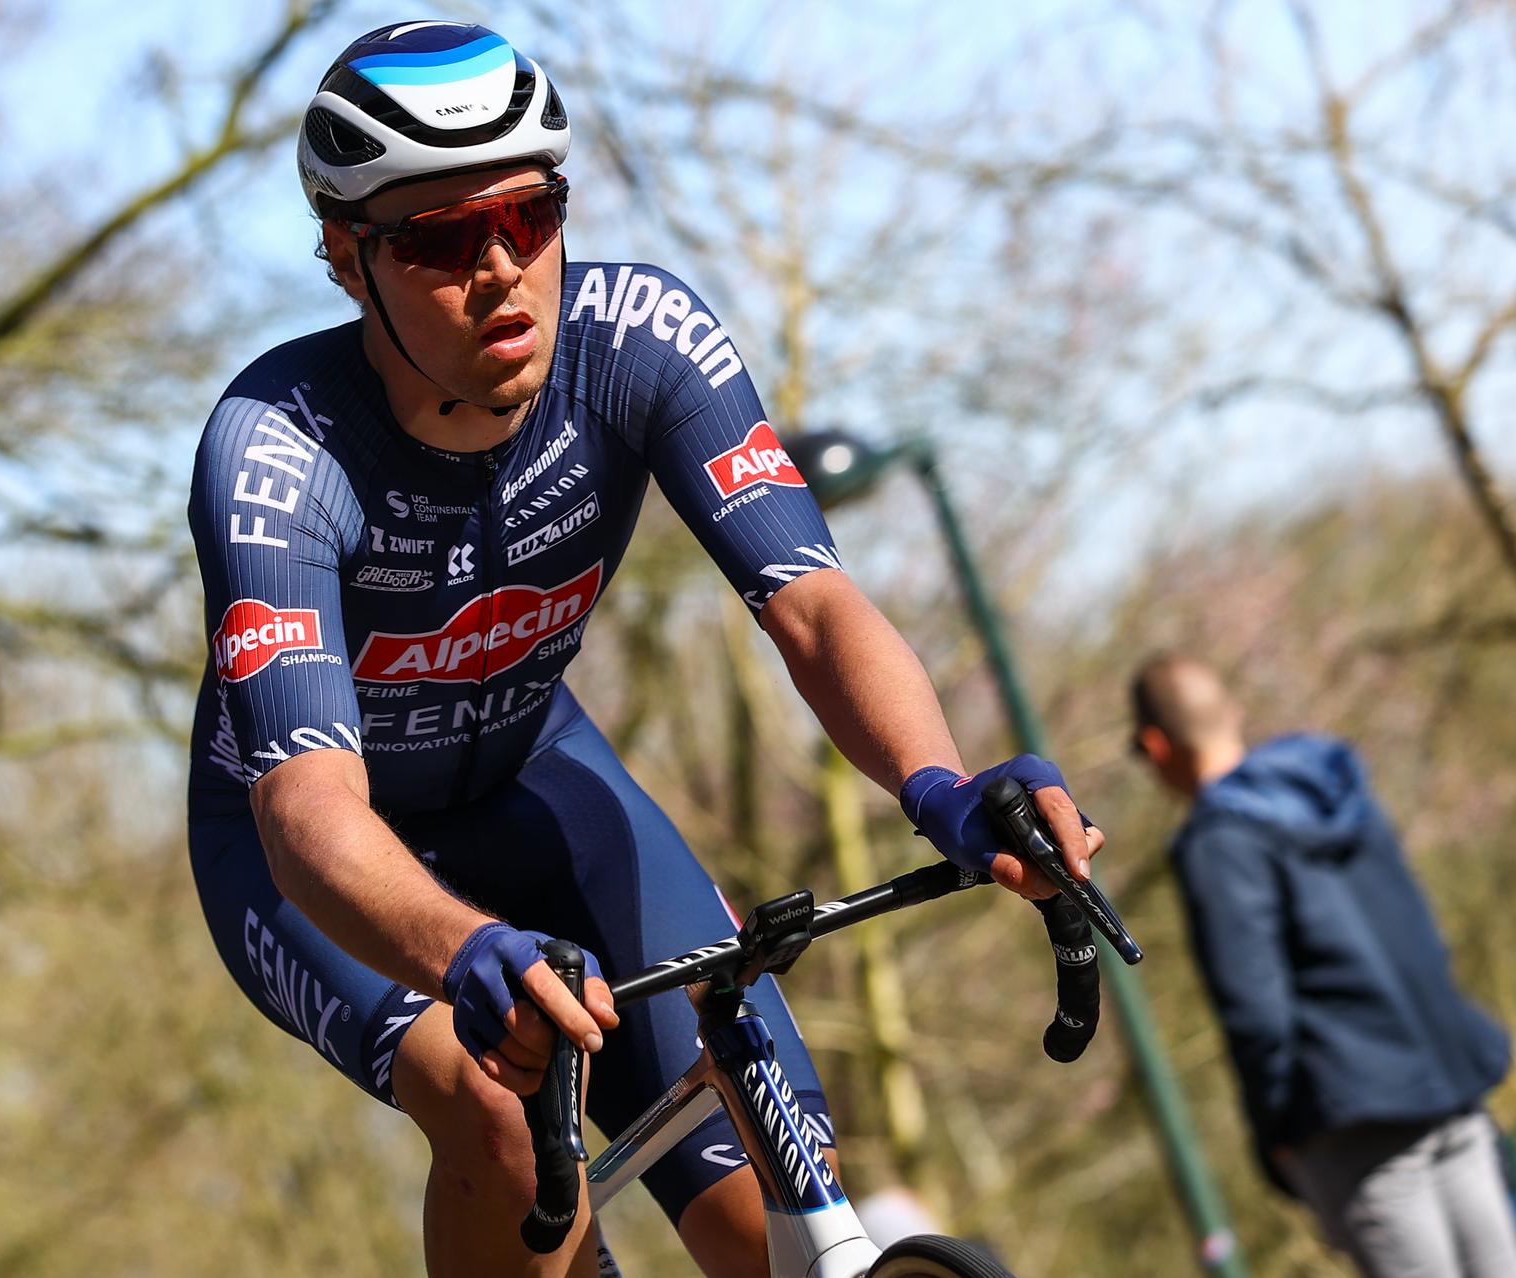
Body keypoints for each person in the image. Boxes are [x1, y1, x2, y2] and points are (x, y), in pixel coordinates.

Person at [187, 21, 1103, 1277]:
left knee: (762, 1173)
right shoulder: (279, 450)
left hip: (536, 774)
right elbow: (305, 809)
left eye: (531, 213)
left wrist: (942, 787)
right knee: (497, 1112)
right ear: (348, 259)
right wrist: (461, 950)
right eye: (443, 239)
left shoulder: (641, 343)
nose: (502, 268)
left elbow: (816, 607)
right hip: (315, 855)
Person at [1129, 654, 1516, 1278]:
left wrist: (1277, 1135)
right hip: (1451, 1085)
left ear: (1155, 745)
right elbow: (1419, 929)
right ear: (1233, 712)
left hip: (1356, 1120)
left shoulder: (1219, 844)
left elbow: (1254, 1008)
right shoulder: (1338, 787)